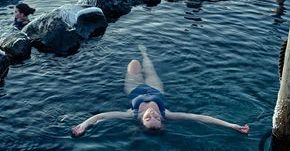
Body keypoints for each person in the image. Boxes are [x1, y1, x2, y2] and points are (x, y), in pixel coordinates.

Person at [71, 44, 250, 137]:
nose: (152, 114)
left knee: (133, 64)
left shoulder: (130, 114)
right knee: (149, 67)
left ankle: (140, 55)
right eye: (156, 118)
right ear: (161, 120)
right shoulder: (167, 114)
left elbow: (100, 116)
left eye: (149, 118)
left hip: (134, 88)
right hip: (156, 90)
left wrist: (83, 125)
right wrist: (232, 125)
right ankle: (146, 53)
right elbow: (200, 118)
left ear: (142, 121)